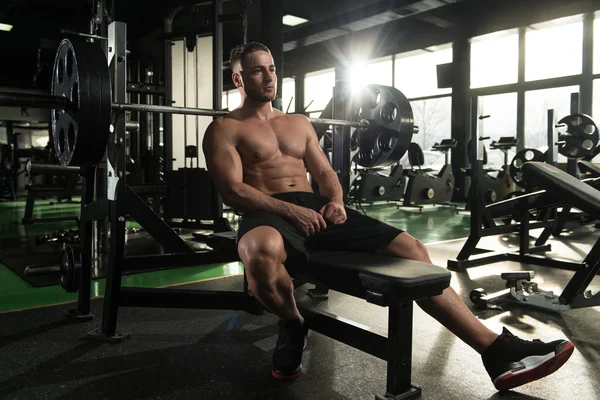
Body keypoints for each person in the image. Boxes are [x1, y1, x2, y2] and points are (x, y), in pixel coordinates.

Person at [202, 42, 574, 391]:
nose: (268, 78)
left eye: (271, 70)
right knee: (259, 250)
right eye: (256, 72)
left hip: (313, 208)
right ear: (238, 79)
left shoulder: (297, 123)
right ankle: (293, 321)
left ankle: (495, 350)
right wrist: (289, 210)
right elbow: (233, 190)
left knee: (411, 247)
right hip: (268, 211)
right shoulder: (224, 128)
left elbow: (326, 172)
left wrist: (335, 199)